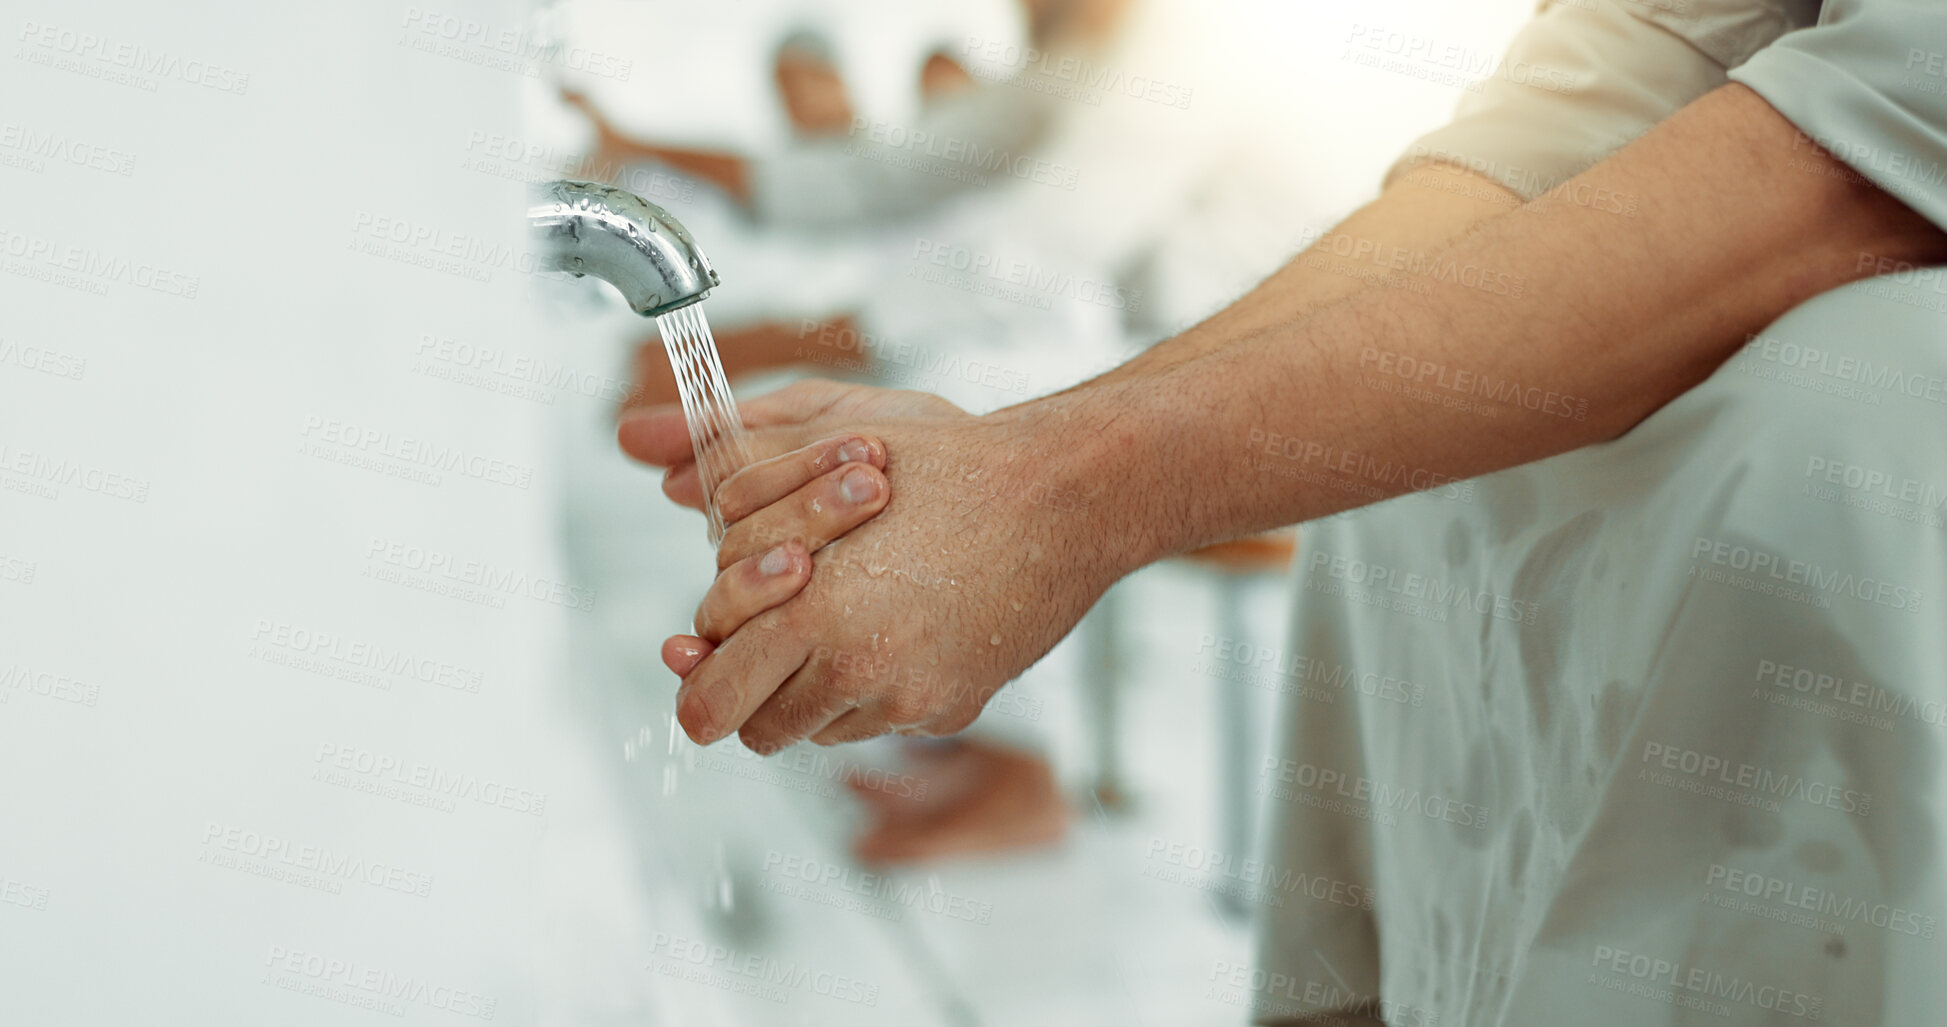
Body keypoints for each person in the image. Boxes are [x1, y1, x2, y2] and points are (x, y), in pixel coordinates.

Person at [624, 0, 1947, 1022]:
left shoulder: (1179, 56)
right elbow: (1582, 102)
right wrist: (1033, 464)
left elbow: (1869, 149)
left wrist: (1065, 494)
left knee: (1818, 433)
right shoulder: (1077, 66)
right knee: (1419, 455)